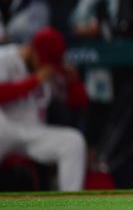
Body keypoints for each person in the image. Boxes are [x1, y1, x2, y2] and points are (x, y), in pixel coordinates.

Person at [0, 27, 88, 191]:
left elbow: (79, 102)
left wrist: (73, 82)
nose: (46, 65)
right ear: (33, 50)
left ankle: (72, 205)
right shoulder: (5, 58)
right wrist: (34, 80)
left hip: (32, 133)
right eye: (44, 60)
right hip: (5, 128)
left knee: (73, 142)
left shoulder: (50, 71)